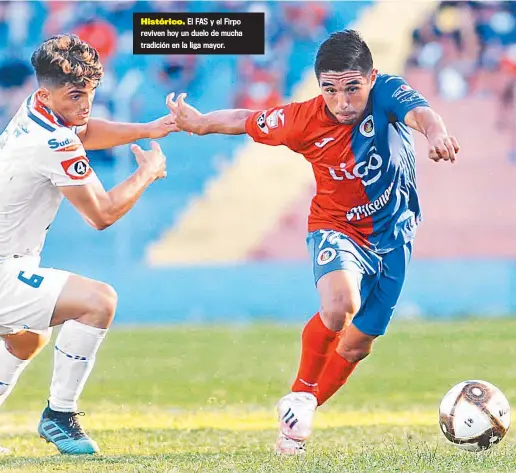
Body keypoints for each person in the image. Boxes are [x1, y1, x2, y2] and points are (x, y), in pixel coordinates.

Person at [166, 29, 460, 455]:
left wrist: (435, 135)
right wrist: (200, 123)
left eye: (352, 89)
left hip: (395, 234)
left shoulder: (389, 92)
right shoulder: (303, 120)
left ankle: (299, 413)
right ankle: (302, 392)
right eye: (331, 90)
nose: (342, 102)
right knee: (340, 307)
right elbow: (246, 119)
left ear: (371, 78)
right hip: (335, 227)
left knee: (358, 344)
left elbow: (423, 116)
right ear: (319, 86)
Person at [0, 34, 176, 455]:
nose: (85, 105)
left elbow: (84, 130)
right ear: (47, 92)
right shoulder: (52, 141)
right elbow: (100, 215)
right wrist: (148, 171)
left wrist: (147, 128)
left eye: (89, 93)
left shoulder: (37, 109)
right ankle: (60, 415)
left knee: (26, 341)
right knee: (99, 301)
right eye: (75, 96)